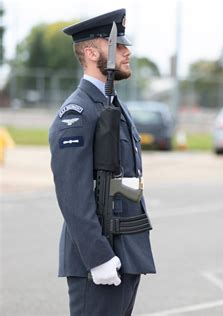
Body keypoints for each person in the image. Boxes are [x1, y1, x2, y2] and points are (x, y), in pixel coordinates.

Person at [49, 9, 155, 315]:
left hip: (125, 249)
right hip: (100, 257)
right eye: (118, 45)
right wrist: (98, 257)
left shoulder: (111, 106)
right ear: (93, 52)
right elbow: (72, 194)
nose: (127, 51)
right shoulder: (78, 113)